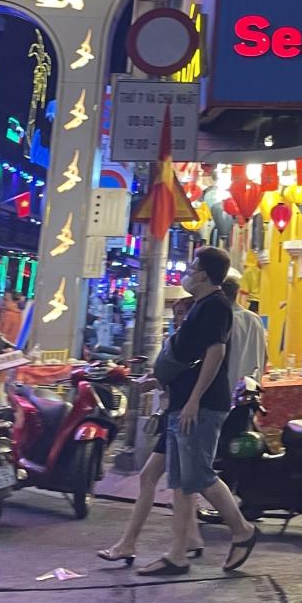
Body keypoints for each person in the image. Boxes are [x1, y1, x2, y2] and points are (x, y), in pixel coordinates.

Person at [138, 246, 258, 578]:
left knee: (199, 475)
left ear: (203, 273)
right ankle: (177, 554)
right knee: (182, 482)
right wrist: (159, 379)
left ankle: (242, 530)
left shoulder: (216, 306)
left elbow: (215, 354)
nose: (187, 272)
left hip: (200, 407)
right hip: (183, 404)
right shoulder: (202, 306)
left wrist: (193, 399)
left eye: (192, 266)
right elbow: (187, 355)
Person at [99, 290, 202, 566]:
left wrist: (155, 382)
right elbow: (169, 377)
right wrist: (154, 381)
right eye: (176, 315)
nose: (178, 320)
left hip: (181, 416)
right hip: (175, 415)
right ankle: (182, 539)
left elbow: (178, 379)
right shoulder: (185, 342)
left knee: (191, 482)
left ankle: (236, 531)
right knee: (166, 479)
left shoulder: (191, 344)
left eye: (183, 315)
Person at [222, 274, 267, 393]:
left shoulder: (223, 319)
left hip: (226, 389)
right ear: (237, 292)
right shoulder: (255, 319)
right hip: (250, 388)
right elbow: (265, 356)